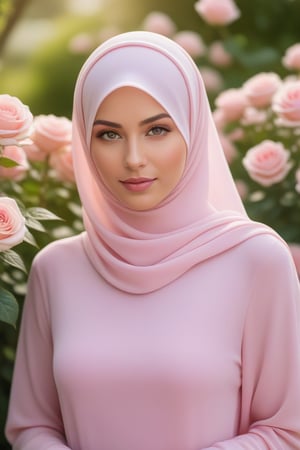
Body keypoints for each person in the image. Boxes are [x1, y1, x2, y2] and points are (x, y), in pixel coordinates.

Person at [5, 31, 300, 450]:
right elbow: (32, 428)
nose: (134, 158)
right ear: (85, 143)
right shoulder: (56, 268)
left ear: (192, 130)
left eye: (157, 129)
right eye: (109, 134)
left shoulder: (256, 260)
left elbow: (285, 430)